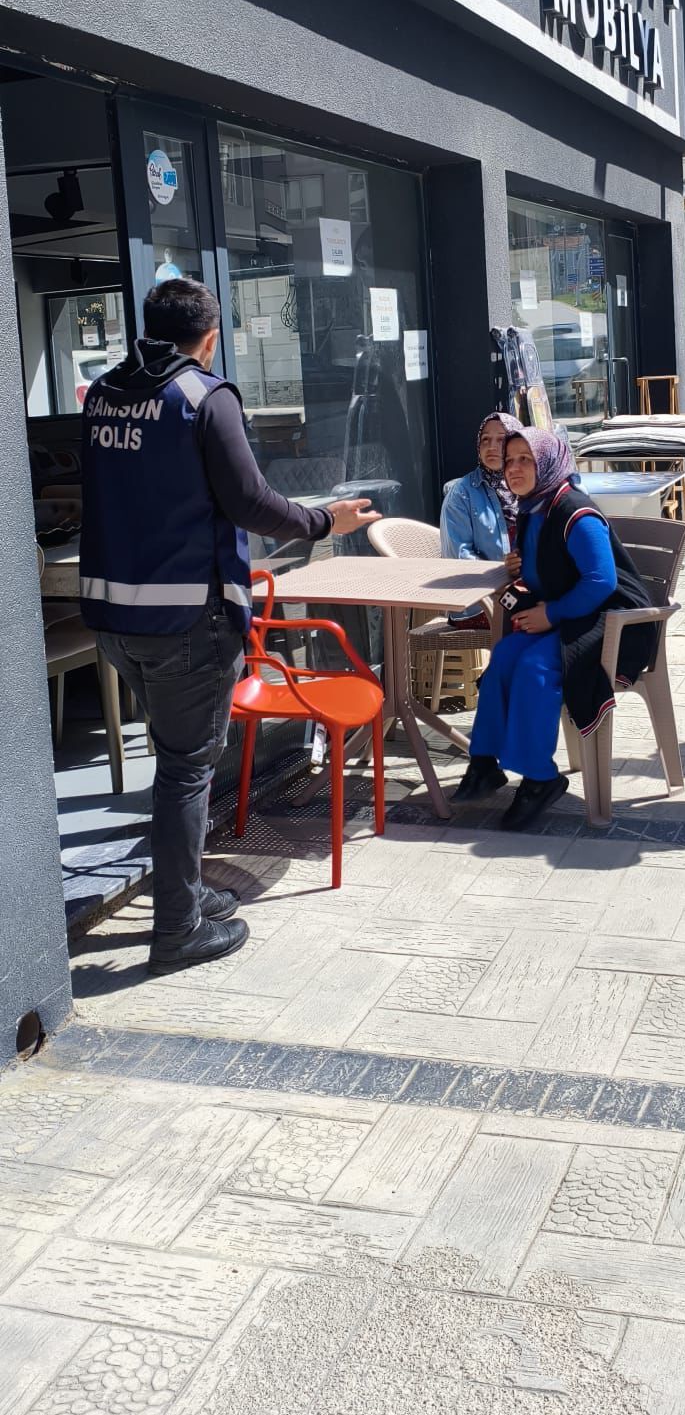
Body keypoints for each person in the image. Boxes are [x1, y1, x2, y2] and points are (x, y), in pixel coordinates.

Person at [79, 278, 380, 973]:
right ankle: (178, 929)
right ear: (210, 339)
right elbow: (248, 500)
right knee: (185, 773)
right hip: (187, 622)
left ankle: (184, 894)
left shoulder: (102, 395)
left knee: (174, 764)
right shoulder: (202, 398)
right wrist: (321, 522)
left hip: (115, 623)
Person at [454, 426, 655, 827]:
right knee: (506, 654)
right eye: (510, 461)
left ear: (546, 462)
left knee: (535, 668)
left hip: (613, 620)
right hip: (572, 612)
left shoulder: (573, 512)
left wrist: (550, 614)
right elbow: (549, 571)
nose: (514, 468)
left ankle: (540, 779)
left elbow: (602, 581)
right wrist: (520, 570)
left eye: (525, 459)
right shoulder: (533, 509)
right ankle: (484, 762)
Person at [439, 411, 523, 624]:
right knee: (541, 623)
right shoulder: (461, 493)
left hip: (522, 591)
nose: (492, 446)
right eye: (485, 439)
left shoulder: (525, 485)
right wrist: (504, 570)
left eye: (501, 440)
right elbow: (460, 559)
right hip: (479, 603)